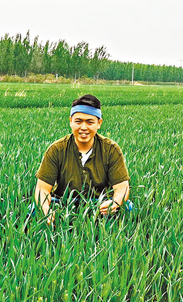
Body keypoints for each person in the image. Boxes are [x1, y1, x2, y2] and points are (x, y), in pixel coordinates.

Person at [33, 94, 130, 225]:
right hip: (63, 201)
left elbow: (122, 188)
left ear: (99, 123)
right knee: (34, 210)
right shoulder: (56, 149)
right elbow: (42, 189)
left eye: (90, 122)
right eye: (78, 121)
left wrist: (115, 202)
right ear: (71, 121)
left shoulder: (111, 150)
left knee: (128, 208)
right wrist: (45, 208)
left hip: (99, 203)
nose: (83, 127)